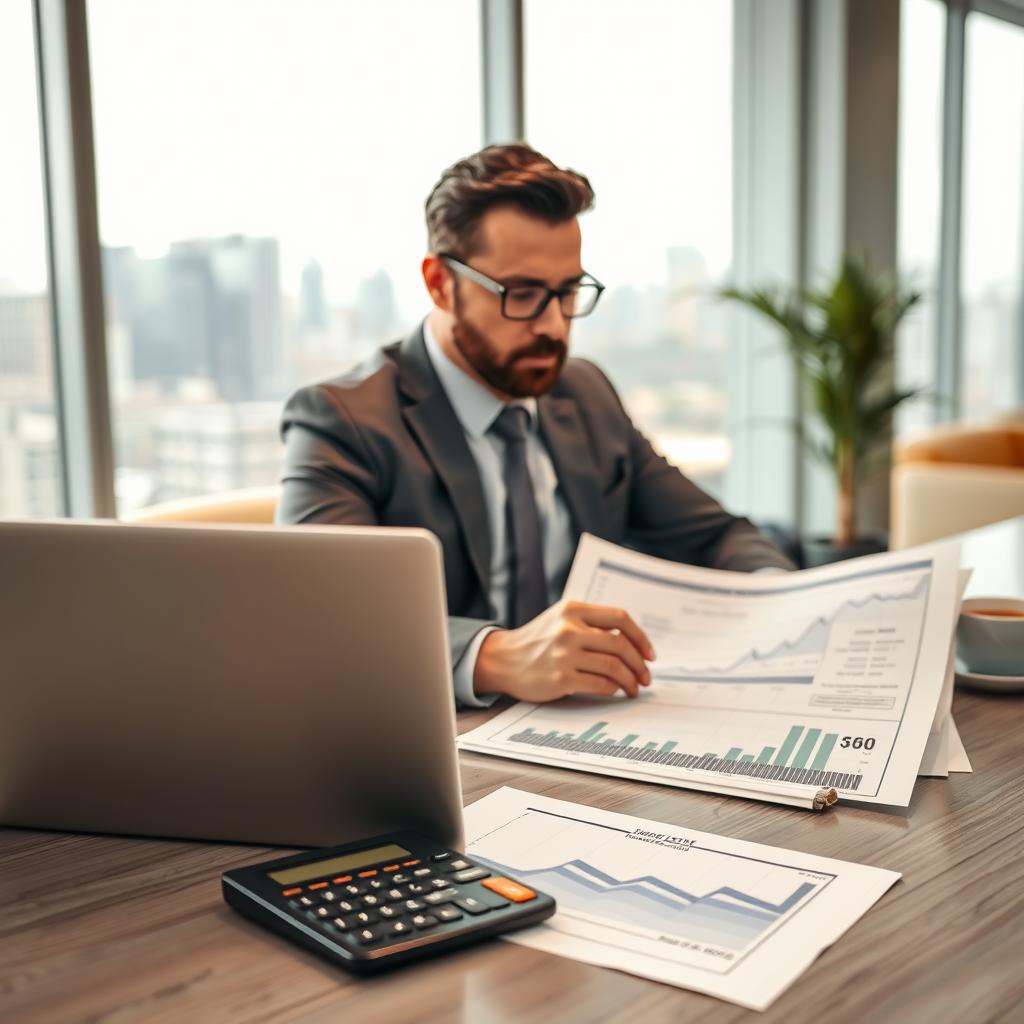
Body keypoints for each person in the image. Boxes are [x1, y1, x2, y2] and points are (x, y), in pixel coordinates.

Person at [277, 143, 793, 708]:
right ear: (439, 283)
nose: (553, 325)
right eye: (521, 294)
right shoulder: (341, 421)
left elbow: (717, 536)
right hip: (436, 742)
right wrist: (497, 656)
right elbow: (319, 619)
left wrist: (779, 604)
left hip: (586, 730)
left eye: (568, 292)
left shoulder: (585, 392)